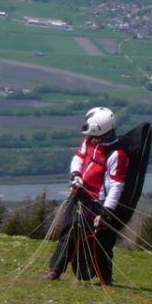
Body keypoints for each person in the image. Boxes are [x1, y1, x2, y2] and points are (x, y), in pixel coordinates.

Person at [46, 106, 131, 284]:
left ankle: (106, 277)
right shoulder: (89, 141)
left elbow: (116, 185)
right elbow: (78, 158)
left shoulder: (117, 154)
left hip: (99, 203)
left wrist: (107, 211)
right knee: (68, 229)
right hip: (81, 195)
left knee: (102, 241)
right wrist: (75, 175)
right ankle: (55, 270)